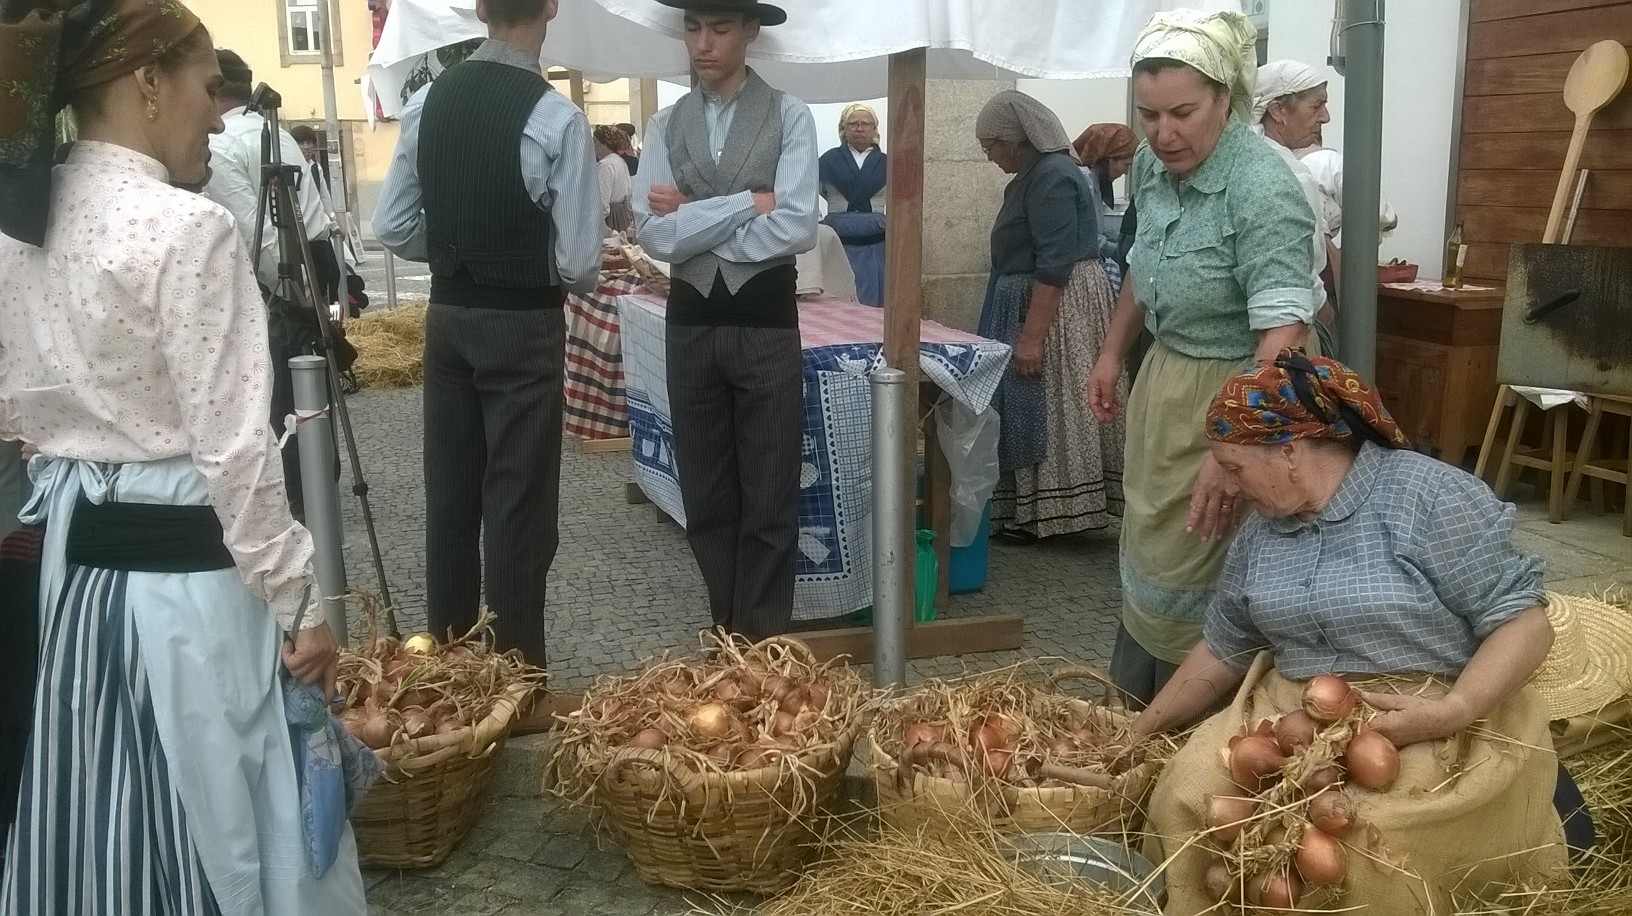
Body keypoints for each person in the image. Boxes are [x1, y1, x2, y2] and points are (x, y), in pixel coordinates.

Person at [0, 1, 367, 910]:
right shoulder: (184, 229)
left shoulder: (20, 232)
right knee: (220, 808)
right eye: (208, 88)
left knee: (101, 796)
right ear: (148, 82)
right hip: (186, 597)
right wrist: (301, 607)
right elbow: (236, 453)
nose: (219, 113)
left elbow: (23, 420)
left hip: (79, 589)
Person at [1134, 351, 1574, 915]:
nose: (1233, 487)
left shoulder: (1429, 498)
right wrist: (1144, 728)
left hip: (1422, 710)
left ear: (1289, 452)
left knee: (1366, 851)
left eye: (1236, 468)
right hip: (1292, 713)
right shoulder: (1259, 533)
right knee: (1185, 796)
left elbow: (1525, 621)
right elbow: (1225, 645)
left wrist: (1456, 709)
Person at [374, 0, 602, 729]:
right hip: (522, 321)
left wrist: (454, 253)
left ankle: (448, 670)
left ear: (477, 8)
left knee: (451, 491)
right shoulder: (555, 117)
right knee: (518, 503)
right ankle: (517, 686)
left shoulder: (425, 100)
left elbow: (393, 226)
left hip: (448, 316)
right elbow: (579, 262)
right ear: (552, 7)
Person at [1086, 9, 1323, 705]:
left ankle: (1193, 726)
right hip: (1167, 379)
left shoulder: (1263, 187)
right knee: (1151, 539)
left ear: (1228, 98)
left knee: (1206, 554)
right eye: (1149, 114)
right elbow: (1143, 265)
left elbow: (1285, 339)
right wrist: (1109, 353)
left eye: (1183, 112)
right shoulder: (1155, 171)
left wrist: (1233, 452)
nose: (1164, 132)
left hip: (1240, 389)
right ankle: (1137, 704)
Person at [633, 0, 818, 642]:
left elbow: (796, 224)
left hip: (766, 322)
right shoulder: (665, 123)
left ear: (750, 32)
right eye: (693, 27)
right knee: (707, 495)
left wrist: (695, 217)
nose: (703, 42)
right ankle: (726, 629)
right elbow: (653, 235)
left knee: (769, 494)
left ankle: (761, 643)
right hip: (689, 323)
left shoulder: (790, 115)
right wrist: (745, 204)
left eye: (718, 28)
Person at [975, 91, 1125, 543]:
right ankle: (1033, 509)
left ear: (1016, 141)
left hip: (1057, 310)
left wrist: (1032, 337)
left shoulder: (1052, 177)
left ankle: (1054, 511)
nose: (990, 157)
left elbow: (1055, 261)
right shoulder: (1036, 174)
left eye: (991, 147)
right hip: (1039, 301)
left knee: (1050, 404)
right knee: (1032, 405)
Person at [205, 50, 337, 303]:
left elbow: (255, 234)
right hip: (314, 256)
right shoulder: (279, 133)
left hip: (285, 269)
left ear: (213, 91)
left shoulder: (221, 144)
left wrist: (303, 294)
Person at [818, 102, 887, 306]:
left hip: (874, 247)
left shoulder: (888, 163)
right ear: (843, 128)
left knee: (874, 304)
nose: (859, 128)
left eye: (865, 123)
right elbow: (820, 191)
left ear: (874, 129)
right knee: (839, 300)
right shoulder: (828, 161)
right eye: (853, 123)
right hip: (839, 246)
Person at [1071, 121, 1138, 294]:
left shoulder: (1095, 180)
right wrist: (1118, 250)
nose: (1125, 172)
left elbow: (1098, 226)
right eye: (1126, 165)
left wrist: (1123, 239)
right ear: (1109, 159)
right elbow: (1085, 235)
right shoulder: (1085, 179)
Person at [291, 122, 349, 302]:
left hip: (319, 232)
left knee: (333, 275)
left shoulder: (315, 167)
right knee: (307, 281)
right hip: (299, 233)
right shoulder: (291, 167)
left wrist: (334, 223)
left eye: (309, 143)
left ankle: (332, 318)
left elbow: (324, 198)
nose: (306, 147)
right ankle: (319, 318)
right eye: (301, 143)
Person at [594, 123, 636, 234]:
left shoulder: (605, 165)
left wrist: (600, 226)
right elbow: (629, 192)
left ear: (604, 144)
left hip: (611, 218)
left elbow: (602, 201)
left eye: (595, 142)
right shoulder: (619, 161)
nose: (594, 146)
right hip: (623, 214)